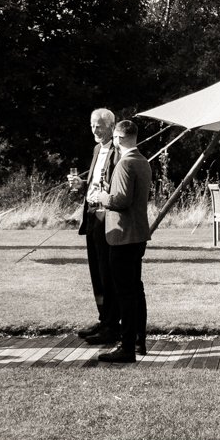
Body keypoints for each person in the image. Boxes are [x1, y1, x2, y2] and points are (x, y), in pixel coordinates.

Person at [88, 118, 151, 363]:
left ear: (118, 138)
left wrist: (101, 197)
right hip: (137, 234)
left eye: (114, 138)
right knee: (136, 289)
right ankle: (138, 340)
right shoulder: (143, 161)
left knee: (125, 292)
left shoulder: (125, 163)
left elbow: (121, 200)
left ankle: (126, 347)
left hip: (122, 235)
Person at [70, 108, 120, 345]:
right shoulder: (96, 149)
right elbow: (94, 181)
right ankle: (103, 319)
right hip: (90, 214)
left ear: (111, 126)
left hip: (106, 215)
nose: (95, 130)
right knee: (95, 271)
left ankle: (112, 325)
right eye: (92, 125)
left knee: (107, 271)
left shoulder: (118, 151)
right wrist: (81, 183)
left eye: (99, 126)